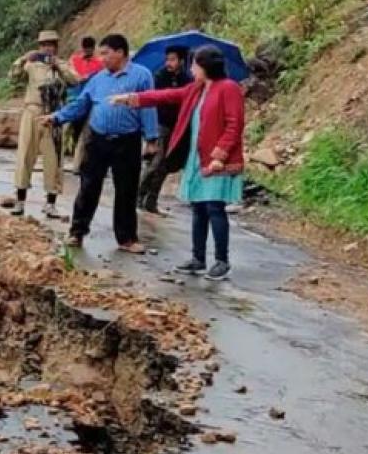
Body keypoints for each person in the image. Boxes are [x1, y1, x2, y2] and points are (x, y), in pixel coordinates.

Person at [109, 45, 246, 281]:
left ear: (205, 66)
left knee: (214, 208)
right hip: (197, 156)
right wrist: (132, 99)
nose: (191, 69)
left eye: (194, 65)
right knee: (199, 208)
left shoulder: (229, 88)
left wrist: (219, 155)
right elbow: (167, 95)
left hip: (215, 159)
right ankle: (198, 259)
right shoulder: (197, 89)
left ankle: (222, 261)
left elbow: (235, 124)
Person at [42, 34, 159, 253]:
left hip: (127, 140)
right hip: (97, 139)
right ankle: (77, 232)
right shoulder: (98, 79)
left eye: (106, 53)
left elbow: (148, 106)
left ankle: (127, 239)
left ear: (120, 52)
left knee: (126, 190)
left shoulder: (141, 76)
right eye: (101, 54)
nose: (102, 58)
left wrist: (151, 138)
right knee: (88, 186)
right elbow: (81, 104)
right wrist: (57, 117)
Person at [9, 30, 78, 219]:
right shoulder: (31, 64)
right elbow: (13, 77)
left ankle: (50, 203)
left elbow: (75, 80)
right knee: (25, 155)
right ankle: (20, 200)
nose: (48, 48)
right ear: (39, 46)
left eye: (51, 44)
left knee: (53, 159)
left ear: (56, 47)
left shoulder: (62, 65)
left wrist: (58, 66)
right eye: (44, 45)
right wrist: (23, 59)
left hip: (54, 115)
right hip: (32, 111)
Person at [138, 45, 192, 214]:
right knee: (156, 163)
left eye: (173, 59)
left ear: (182, 61)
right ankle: (139, 196)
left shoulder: (188, 79)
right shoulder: (159, 76)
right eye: (167, 59)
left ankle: (151, 201)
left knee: (166, 165)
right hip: (161, 124)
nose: (169, 63)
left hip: (179, 127)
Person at [66, 36, 104, 175]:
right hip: (75, 100)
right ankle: (78, 160)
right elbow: (68, 75)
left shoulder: (99, 64)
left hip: (91, 102)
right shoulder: (74, 60)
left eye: (89, 49)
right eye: (85, 48)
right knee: (75, 132)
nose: (87, 51)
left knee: (88, 133)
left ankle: (83, 163)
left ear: (93, 49)